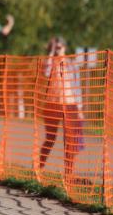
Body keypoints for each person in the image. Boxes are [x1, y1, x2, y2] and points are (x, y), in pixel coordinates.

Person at [35, 37, 85, 185]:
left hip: (70, 105)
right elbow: (45, 72)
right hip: (52, 104)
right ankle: (39, 169)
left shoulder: (71, 64)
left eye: (60, 46)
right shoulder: (50, 61)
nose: (58, 48)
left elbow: (77, 86)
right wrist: (50, 52)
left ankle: (69, 174)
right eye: (55, 46)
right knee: (50, 139)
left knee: (70, 142)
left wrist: (80, 108)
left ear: (65, 46)